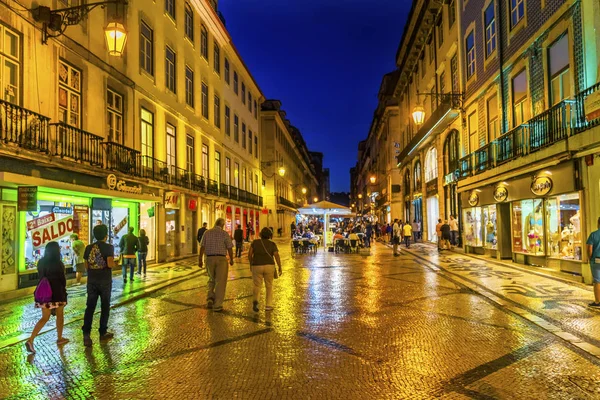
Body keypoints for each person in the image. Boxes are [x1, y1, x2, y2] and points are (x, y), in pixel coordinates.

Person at [26, 241, 69, 353]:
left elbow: (40, 276)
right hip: (57, 293)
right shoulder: (59, 264)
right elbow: (62, 280)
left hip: (44, 294)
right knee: (60, 316)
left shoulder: (41, 262)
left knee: (44, 318)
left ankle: (31, 339)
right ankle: (59, 338)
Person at [82, 224, 116, 347]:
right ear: (106, 235)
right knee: (105, 307)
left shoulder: (88, 247)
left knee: (90, 308)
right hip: (105, 282)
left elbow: (86, 265)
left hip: (92, 281)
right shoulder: (109, 247)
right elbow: (110, 264)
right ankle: (102, 332)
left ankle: (86, 334)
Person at [199, 218, 234, 311]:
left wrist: (200, 260)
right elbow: (230, 248)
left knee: (211, 279)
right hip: (221, 259)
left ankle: (210, 298)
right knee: (220, 281)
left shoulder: (207, 233)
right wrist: (231, 259)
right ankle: (217, 305)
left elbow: (202, 247)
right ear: (222, 225)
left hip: (209, 258)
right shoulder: (224, 234)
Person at [248, 227, 283, 312]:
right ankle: (268, 305)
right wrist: (279, 266)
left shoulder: (255, 242)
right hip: (269, 266)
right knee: (269, 285)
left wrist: (251, 263)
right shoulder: (272, 244)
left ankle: (256, 300)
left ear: (261, 234)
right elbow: (276, 255)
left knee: (257, 285)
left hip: (257, 265)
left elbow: (249, 254)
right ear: (270, 235)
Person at [587, 217, 600, 307]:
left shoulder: (593, 235)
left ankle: (598, 301)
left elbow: (589, 249)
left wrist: (590, 258)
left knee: (597, 281)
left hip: (597, 260)